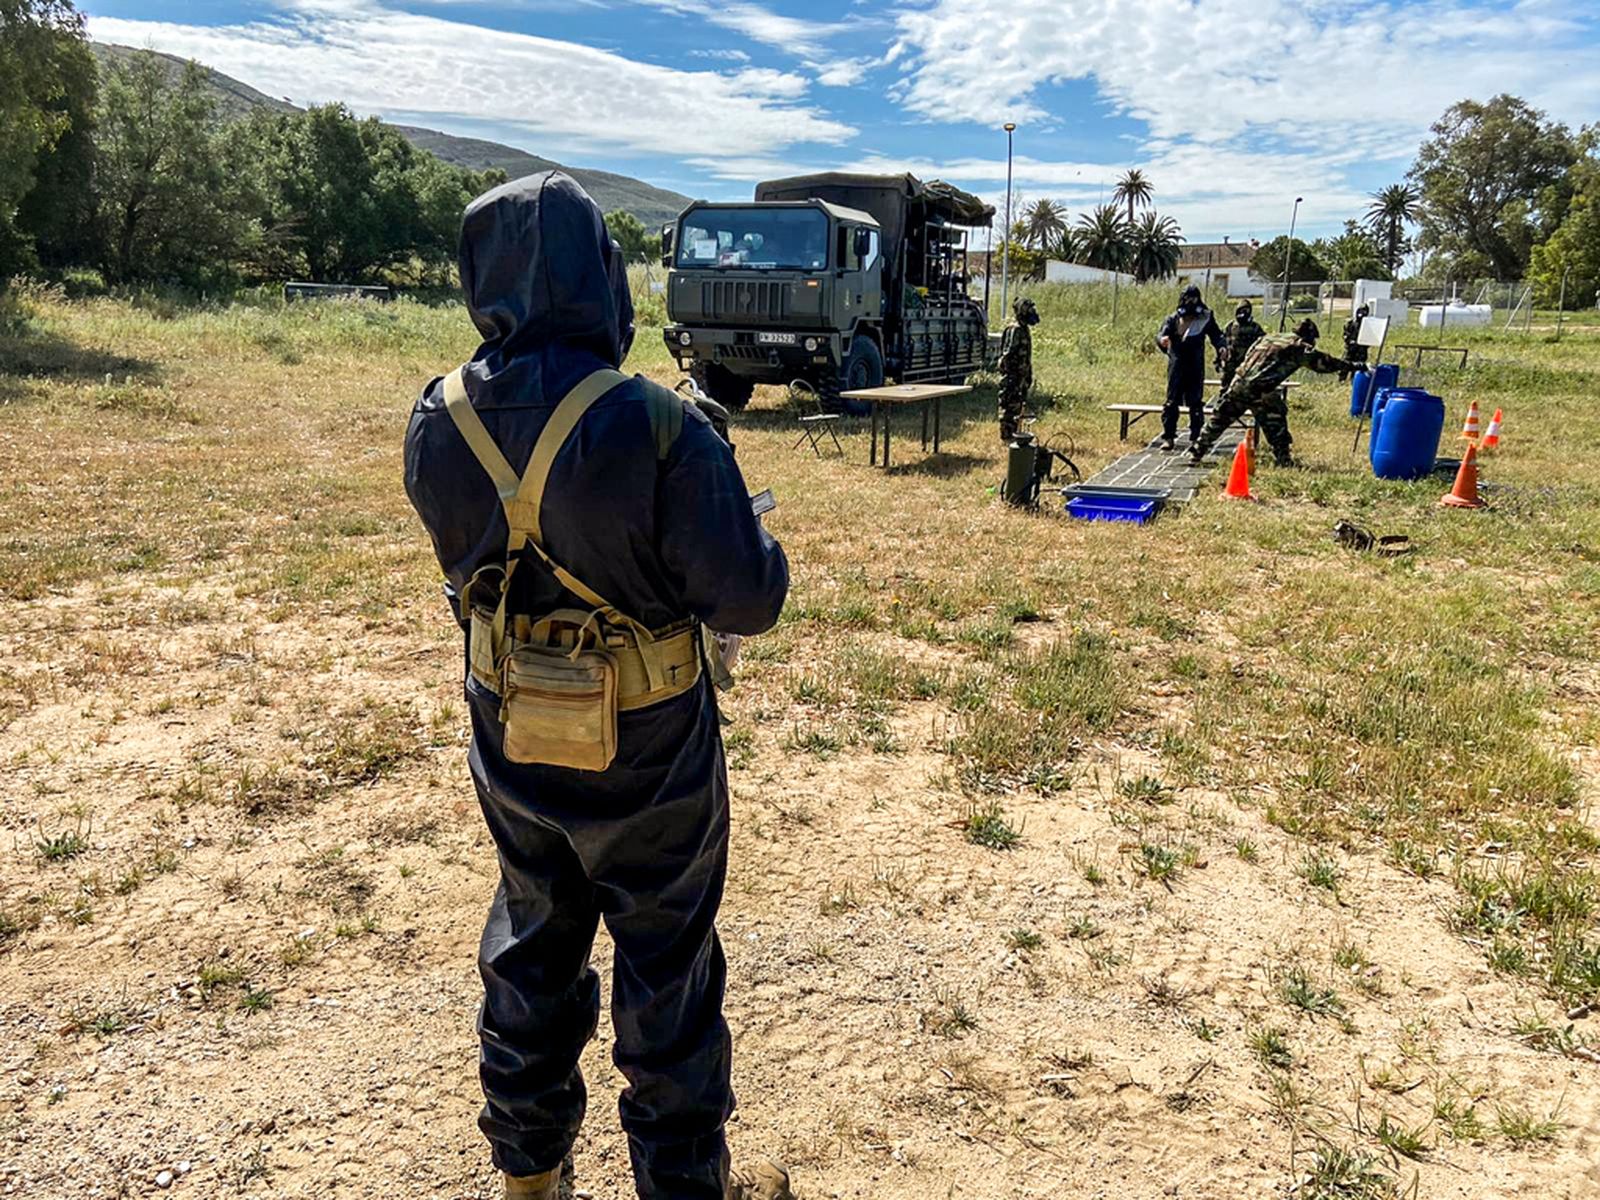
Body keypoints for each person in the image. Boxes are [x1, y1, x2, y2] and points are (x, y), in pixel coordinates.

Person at [403, 172, 792, 1200]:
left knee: (530, 942)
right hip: (653, 748)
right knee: (667, 971)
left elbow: (464, 578)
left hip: (510, 731)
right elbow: (747, 598)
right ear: (603, 281)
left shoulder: (435, 418)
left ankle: (531, 1180)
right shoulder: (662, 426)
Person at [1187, 317, 1356, 468]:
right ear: (1309, 337)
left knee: (1219, 420)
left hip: (1239, 383)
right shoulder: (1297, 346)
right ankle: (1283, 458)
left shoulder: (1268, 337)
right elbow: (1323, 363)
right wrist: (1351, 366)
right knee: (1276, 420)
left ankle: (1196, 453)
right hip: (1261, 389)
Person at [1156, 284, 1226, 450]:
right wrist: (1162, 340)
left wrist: (1221, 347)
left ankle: (1196, 438)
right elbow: (1161, 334)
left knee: (1195, 403)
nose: (1190, 302)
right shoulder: (1173, 318)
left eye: (1193, 298)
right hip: (1176, 365)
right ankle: (1169, 437)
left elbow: (1217, 335)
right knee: (1171, 402)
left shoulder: (1205, 317)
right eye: (1187, 299)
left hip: (1195, 365)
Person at [997, 295, 1039, 441]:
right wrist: (1011, 376)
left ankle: (1015, 435)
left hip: (1021, 375)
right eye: (1030, 310)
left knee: (1018, 406)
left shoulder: (1023, 328)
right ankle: (1007, 437)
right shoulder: (1015, 329)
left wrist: (1026, 375)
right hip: (1013, 376)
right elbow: (1006, 356)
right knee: (1009, 406)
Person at [1218, 299, 1264, 392]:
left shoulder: (1255, 327)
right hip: (1231, 363)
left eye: (1246, 310)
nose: (1244, 313)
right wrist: (1219, 360)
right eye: (1241, 310)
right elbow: (1222, 343)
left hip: (1248, 362)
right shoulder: (1230, 326)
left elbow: (1262, 343)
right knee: (1226, 388)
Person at [1344, 303, 1371, 367]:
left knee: (1358, 368)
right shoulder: (1351, 323)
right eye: (1360, 310)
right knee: (1345, 366)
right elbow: (1346, 334)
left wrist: (1362, 344)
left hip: (1361, 350)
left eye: (1364, 311)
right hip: (1351, 349)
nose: (1361, 313)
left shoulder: (1368, 326)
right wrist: (1349, 341)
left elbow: (1369, 339)